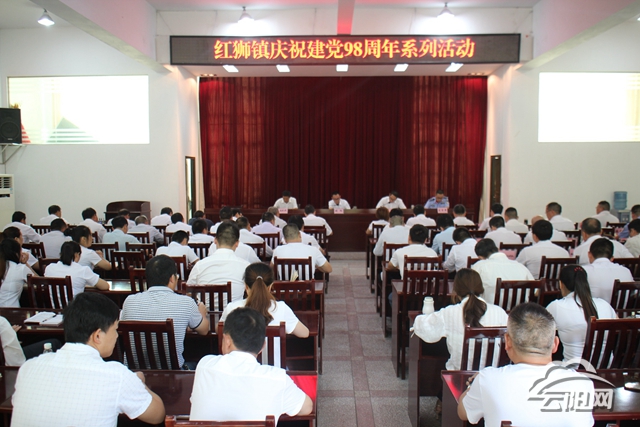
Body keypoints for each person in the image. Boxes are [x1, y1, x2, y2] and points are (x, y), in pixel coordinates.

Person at [11, 292, 165, 426]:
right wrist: (139, 383)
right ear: (97, 336)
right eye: (115, 329)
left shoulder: (28, 368)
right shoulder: (116, 375)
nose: (117, 336)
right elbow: (158, 415)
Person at [458, 303, 595, 427]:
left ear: (507, 341)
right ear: (555, 344)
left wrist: (473, 384)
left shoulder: (487, 379)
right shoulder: (583, 384)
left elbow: (463, 413)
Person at [190, 307, 312, 422]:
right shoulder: (277, 378)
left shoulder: (204, 365)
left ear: (227, 341)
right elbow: (307, 407)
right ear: (262, 346)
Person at [121, 255, 209, 369]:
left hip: (134, 373)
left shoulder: (129, 301)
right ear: (172, 278)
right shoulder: (186, 302)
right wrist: (202, 313)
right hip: (172, 373)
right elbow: (204, 331)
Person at [413, 269, 508, 370]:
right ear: (481, 288)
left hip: (460, 375)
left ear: (455, 291)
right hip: (493, 374)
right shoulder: (499, 312)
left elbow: (424, 327)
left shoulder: (450, 312)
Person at [220, 263, 309, 367]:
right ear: (270, 286)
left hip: (237, 370)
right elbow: (304, 333)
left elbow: (220, 330)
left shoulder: (232, 308)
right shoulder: (281, 308)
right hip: (273, 370)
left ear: (245, 286)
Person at [547, 265, 616, 361]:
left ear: (561, 284)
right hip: (607, 367)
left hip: (573, 368)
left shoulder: (556, 306)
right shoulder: (604, 304)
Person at [187, 222, 250, 303]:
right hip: (235, 311)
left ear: (215, 240)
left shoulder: (200, 265)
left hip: (204, 311)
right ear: (237, 243)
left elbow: (188, 291)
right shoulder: (245, 266)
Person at [472, 239, 534, 304]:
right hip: (520, 309)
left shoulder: (480, 266)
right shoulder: (520, 266)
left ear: (480, 257)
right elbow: (536, 291)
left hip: (491, 309)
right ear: (498, 249)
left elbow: (469, 289)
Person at [44, 241, 109, 296]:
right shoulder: (82, 270)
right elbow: (105, 286)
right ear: (77, 255)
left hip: (51, 307)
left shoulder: (49, 268)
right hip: (74, 307)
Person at [582, 238, 633, 303]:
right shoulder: (626, 271)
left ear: (589, 254)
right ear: (612, 258)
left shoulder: (584, 271)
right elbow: (634, 294)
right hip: (622, 310)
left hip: (593, 309)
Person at [0, 239, 37, 307]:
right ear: (17, 253)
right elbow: (40, 283)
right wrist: (26, 264)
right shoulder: (20, 268)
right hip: (11, 310)